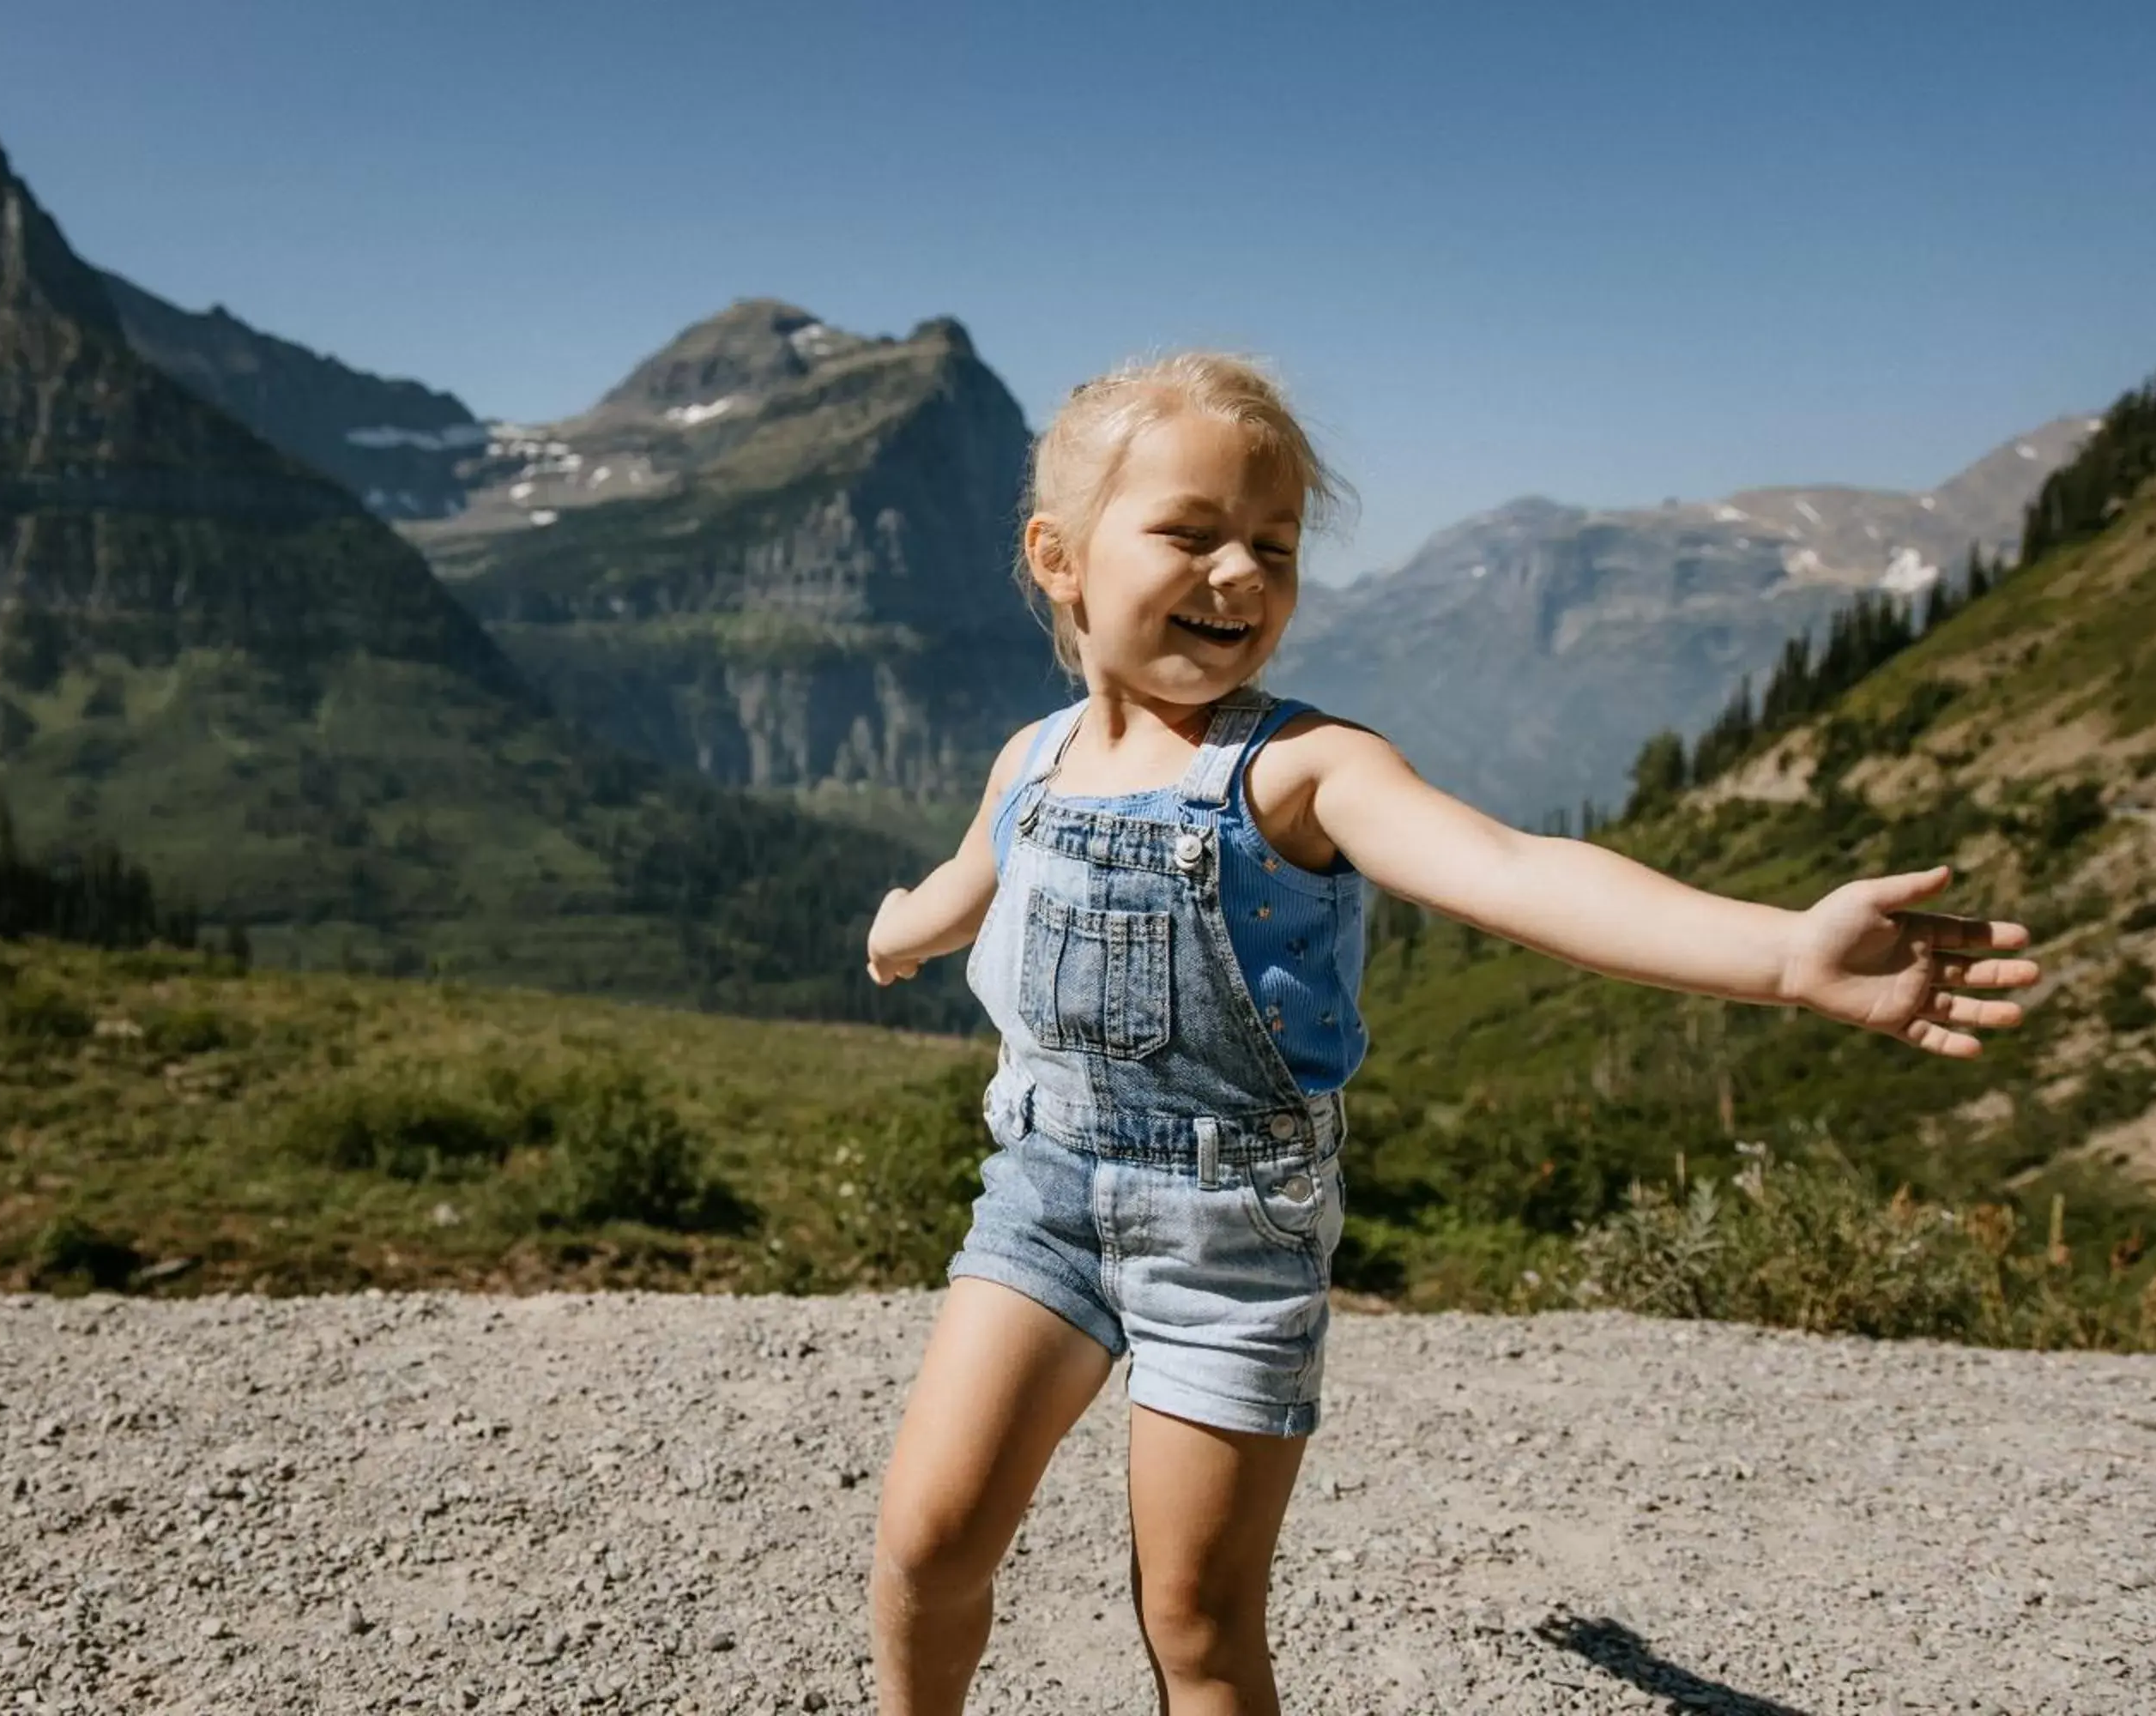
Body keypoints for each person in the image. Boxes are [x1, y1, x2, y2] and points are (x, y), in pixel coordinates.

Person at [856, 352, 2042, 1715]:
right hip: (1044, 1197)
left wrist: (1783, 953)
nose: (1240, 573)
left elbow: (1519, 872)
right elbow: (978, 875)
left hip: (1231, 1231)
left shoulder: (1304, 771)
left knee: (1191, 1618)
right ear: (1057, 558)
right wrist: (904, 928)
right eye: (1191, 533)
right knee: (928, 1543)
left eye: (1275, 545)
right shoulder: (1033, 758)